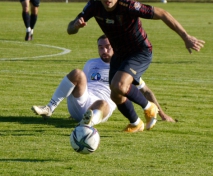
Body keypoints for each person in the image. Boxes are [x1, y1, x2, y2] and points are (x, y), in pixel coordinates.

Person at [67, 0, 205, 133]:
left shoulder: (128, 6)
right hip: (120, 54)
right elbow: (70, 29)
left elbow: (162, 13)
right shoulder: (94, 6)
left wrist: (185, 36)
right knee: (115, 94)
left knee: (119, 84)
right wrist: (76, 26)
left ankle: (149, 108)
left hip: (140, 51)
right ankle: (135, 122)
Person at [31, 35, 175, 126]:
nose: (104, 51)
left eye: (107, 47)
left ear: (114, 47)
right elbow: (77, 86)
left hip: (100, 109)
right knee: (77, 73)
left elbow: (146, 91)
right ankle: (50, 108)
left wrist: (162, 114)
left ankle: (87, 124)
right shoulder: (91, 63)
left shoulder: (125, 69)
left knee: (104, 103)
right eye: (101, 47)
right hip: (82, 102)